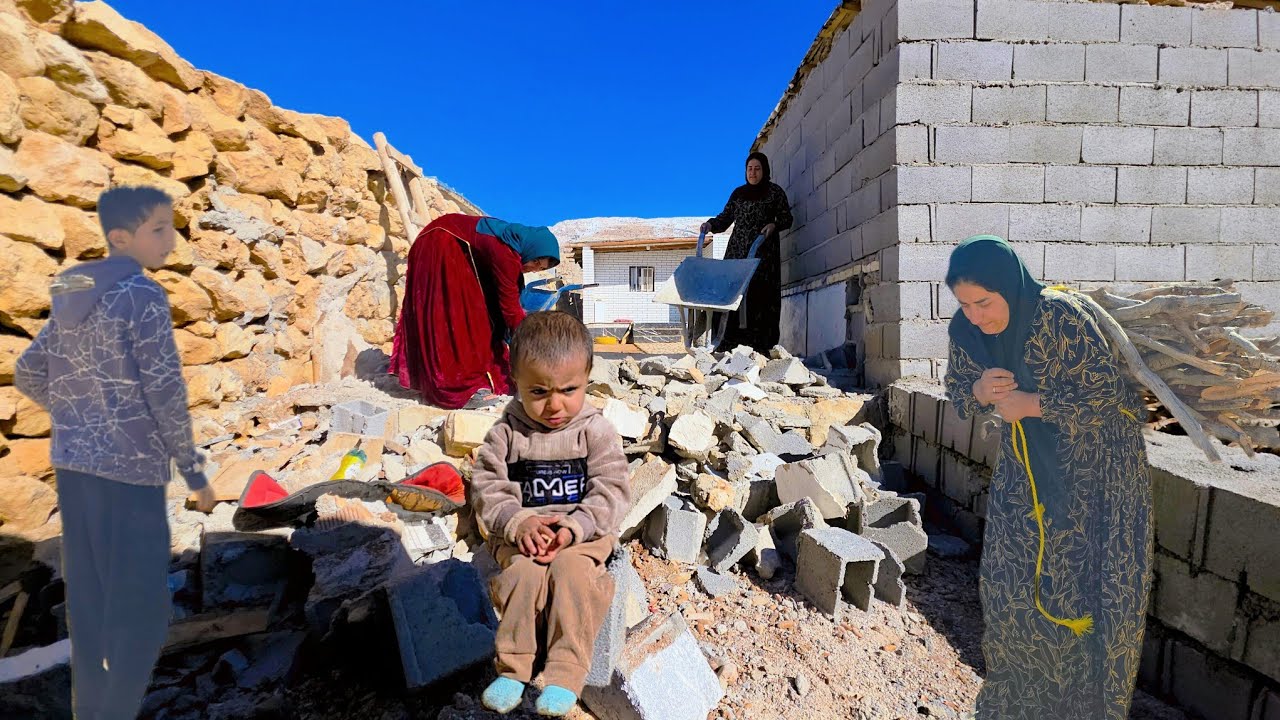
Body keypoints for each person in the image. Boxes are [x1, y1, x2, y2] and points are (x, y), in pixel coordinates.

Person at [14, 186, 218, 720]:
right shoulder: (141, 296)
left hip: (74, 464)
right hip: (130, 469)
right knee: (142, 606)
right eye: (159, 230)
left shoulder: (74, 293)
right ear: (121, 237)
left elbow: (29, 371)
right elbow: (164, 391)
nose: (170, 241)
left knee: (88, 602)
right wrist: (193, 471)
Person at [942, 236, 1152, 719]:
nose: (975, 315)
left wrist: (1034, 404)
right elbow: (957, 391)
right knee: (1007, 584)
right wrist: (977, 389)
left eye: (984, 302)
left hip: (1097, 475)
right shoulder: (967, 332)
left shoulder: (1059, 317)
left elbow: (1114, 400)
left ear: (1010, 288)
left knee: (1084, 591)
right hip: (1027, 470)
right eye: (964, 304)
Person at [470, 311, 629, 716]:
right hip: (522, 536)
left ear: (588, 377)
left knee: (570, 575)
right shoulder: (507, 432)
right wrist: (517, 522)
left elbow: (612, 490)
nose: (554, 405)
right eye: (538, 391)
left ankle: (565, 672)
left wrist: (576, 527)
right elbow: (487, 486)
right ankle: (514, 668)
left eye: (568, 389)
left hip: (582, 536)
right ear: (516, 381)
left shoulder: (595, 431)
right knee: (522, 576)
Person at [389, 214, 560, 409]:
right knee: (459, 316)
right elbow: (509, 305)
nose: (534, 269)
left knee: (485, 314)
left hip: (453, 246)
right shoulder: (506, 250)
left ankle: (478, 378)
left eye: (541, 268)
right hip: (440, 242)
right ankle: (461, 387)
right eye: (537, 262)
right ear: (532, 250)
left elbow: (507, 302)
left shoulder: (512, 248)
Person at [700, 151, 793, 352]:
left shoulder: (774, 192)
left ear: (765, 170)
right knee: (733, 296)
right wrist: (710, 224)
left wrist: (773, 225)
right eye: (749, 169)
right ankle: (728, 344)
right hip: (737, 254)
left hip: (763, 256)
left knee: (760, 298)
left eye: (757, 168)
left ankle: (760, 347)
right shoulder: (738, 194)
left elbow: (787, 218)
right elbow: (725, 219)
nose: (753, 172)